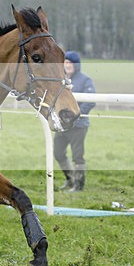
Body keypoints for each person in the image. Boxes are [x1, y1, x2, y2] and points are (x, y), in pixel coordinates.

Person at [54, 51, 96, 192]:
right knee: (58, 153)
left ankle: (79, 185)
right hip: (62, 125)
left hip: (78, 126)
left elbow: (90, 102)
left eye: (71, 62)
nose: (68, 65)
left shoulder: (85, 80)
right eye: (66, 62)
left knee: (77, 157)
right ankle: (70, 179)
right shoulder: (60, 79)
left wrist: (75, 116)